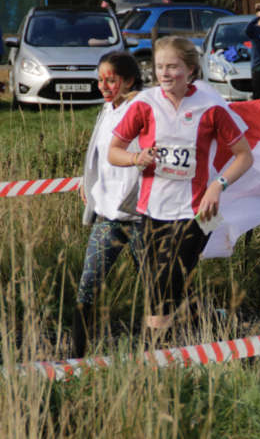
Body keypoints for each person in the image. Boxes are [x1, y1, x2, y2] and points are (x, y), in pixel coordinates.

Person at [108, 36, 253, 334]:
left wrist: (218, 185)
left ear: (190, 69)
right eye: (159, 67)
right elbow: (113, 152)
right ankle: (205, 318)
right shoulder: (144, 104)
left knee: (166, 282)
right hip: (151, 210)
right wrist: (137, 157)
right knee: (158, 286)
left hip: (198, 211)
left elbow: (244, 156)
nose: (164, 73)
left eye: (172, 67)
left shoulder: (210, 106)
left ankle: (155, 353)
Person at [72, 51, 144, 357]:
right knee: (87, 285)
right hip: (110, 217)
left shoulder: (143, 107)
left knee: (163, 287)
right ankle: (76, 358)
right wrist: (88, 182)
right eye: (100, 79)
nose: (104, 85)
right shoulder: (106, 109)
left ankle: (205, 334)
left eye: (111, 79)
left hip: (143, 217)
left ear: (128, 80)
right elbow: (97, 154)